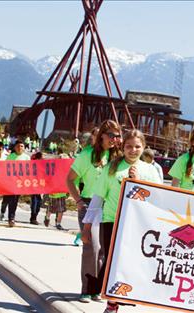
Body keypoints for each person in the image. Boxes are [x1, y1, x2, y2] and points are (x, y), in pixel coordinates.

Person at [82, 129, 162, 313]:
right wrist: (87, 226)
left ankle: (119, 299)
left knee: (127, 263)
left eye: (137, 146)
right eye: (129, 146)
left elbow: (158, 198)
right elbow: (98, 198)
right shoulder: (112, 168)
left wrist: (138, 181)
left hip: (137, 224)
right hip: (112, 221)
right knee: (113, 262)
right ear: (123, 147)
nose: (133, 150)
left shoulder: (150, 170)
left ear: (143, 147)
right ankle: (111, 304)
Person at [66, 120, 122, 303]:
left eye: (117, 135)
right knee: (91, 247)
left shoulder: (117, 158)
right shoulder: (87, 155)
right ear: (102, 136)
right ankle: (86, 289)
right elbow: (70, 179)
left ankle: (96, 288)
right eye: (111, 135)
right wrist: (79, 200)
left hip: (110, 206)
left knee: (104, 250)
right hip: (90, 204)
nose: (114, 139)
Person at [5, 140, 30, 227]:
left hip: (20, 183)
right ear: (15, 147)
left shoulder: (26, 158)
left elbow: (29, 171)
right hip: (11, 182)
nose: (20, 148)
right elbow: (5, 168)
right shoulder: (11, 156)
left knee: (15, 201)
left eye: (21, 146)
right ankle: (11, 218)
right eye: (18, 146)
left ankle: (12, 217)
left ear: (24, 148)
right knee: (11, 200)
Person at [30, 152, 43, 225]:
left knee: (39, 202)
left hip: (40, 187)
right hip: (33, 186)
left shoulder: (42, 166)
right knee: (35, 202)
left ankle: (34, 216)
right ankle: (33, 217)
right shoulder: (33, 164)